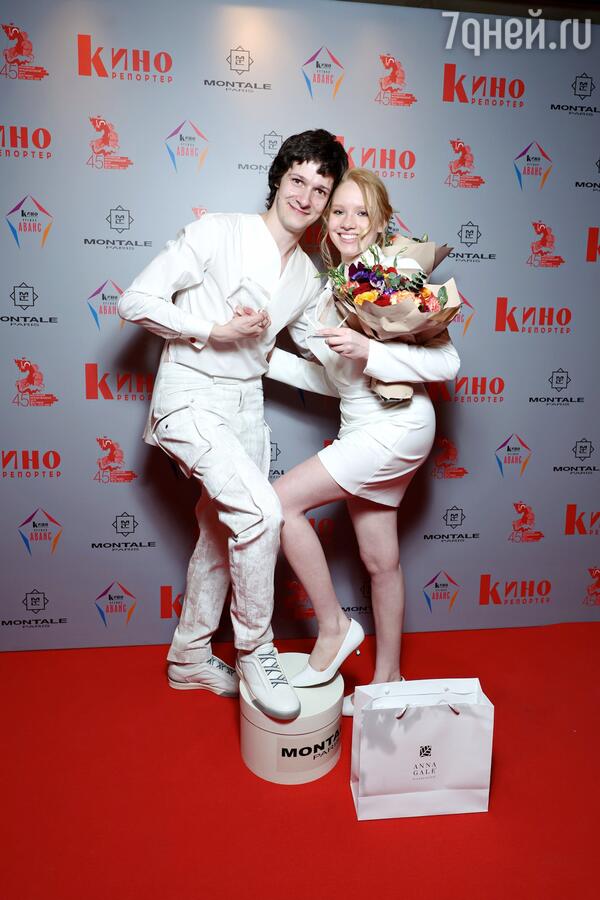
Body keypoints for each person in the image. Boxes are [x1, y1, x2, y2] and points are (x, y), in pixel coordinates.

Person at [117, 129, 348, 720]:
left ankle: (190, 656)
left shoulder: (307, 277)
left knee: (222, 534)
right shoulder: (218, 231)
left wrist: (371, 361)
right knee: (261, 513)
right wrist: (213, 330)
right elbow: (135, 301)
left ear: (327, 204)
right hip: (190, 394)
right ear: (278, 178)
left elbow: (303, 357)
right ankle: (255, 650)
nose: (306, 197)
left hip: (247, 406)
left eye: (320, 190)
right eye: (298, 180)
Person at [267, 168, 460, 714]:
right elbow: (334, 379)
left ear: (380, 224)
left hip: (397, 427)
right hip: (361, 428)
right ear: (326, 220)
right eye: (338, 211)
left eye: (361, 213)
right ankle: (388, 681)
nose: (348, 222)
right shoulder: (328, 292)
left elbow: (448, 363)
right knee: (381, 562)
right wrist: (263, 357)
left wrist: (371, 350)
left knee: (279, 503)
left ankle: (333, 627)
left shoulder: (396, 276)